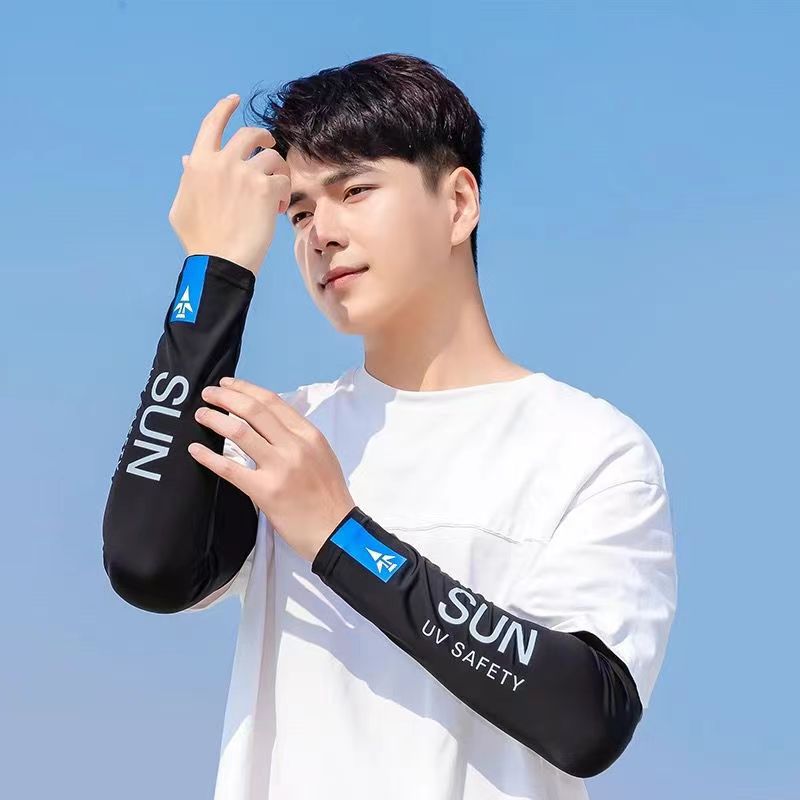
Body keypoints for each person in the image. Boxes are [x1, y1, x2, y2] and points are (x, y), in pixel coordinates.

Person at [102, 52, 677, 800]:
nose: (320, 234)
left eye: (355, 190)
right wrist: (212, 269)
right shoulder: (287, 435)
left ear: (458, 203)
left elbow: (587, 718)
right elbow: (148, 567)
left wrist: (340, 536)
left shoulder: (589, 448)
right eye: (299, 211)